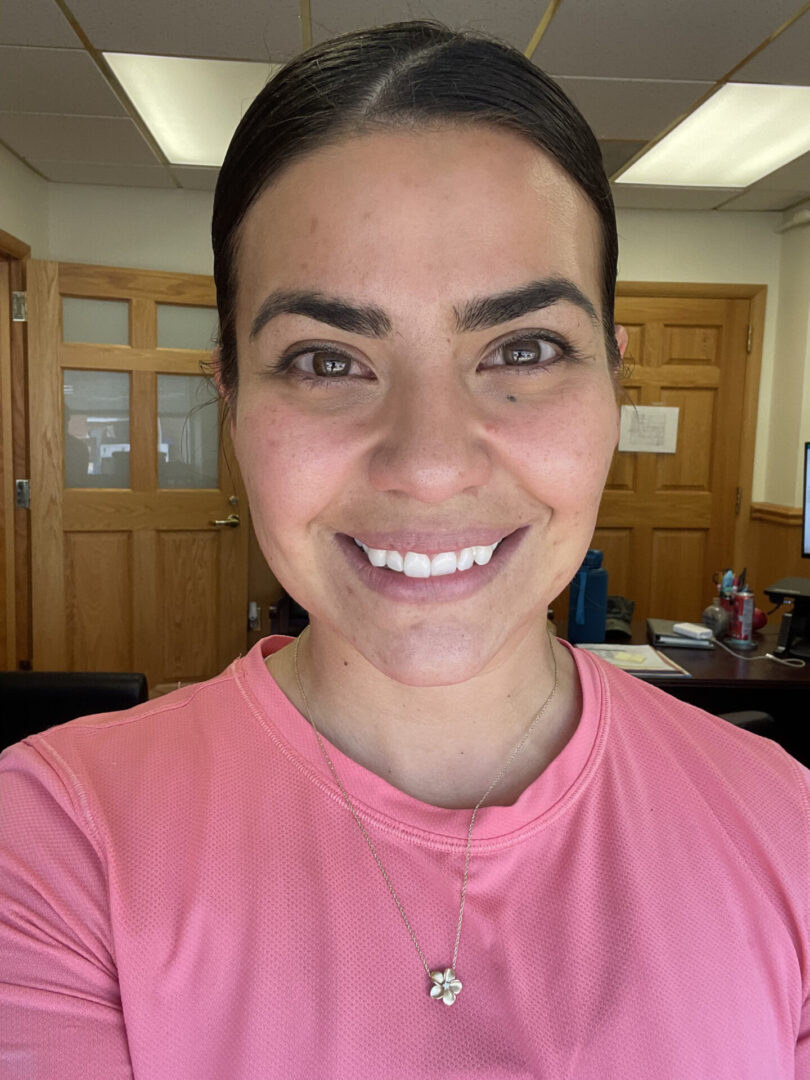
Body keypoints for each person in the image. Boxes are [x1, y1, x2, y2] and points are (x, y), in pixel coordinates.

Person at [1, 21, 808, 1079]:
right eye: (328, 360)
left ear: (613, 385)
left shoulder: (786, 825)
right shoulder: (57, 846)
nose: (430, 464)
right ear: (231, 394)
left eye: (522, 350)